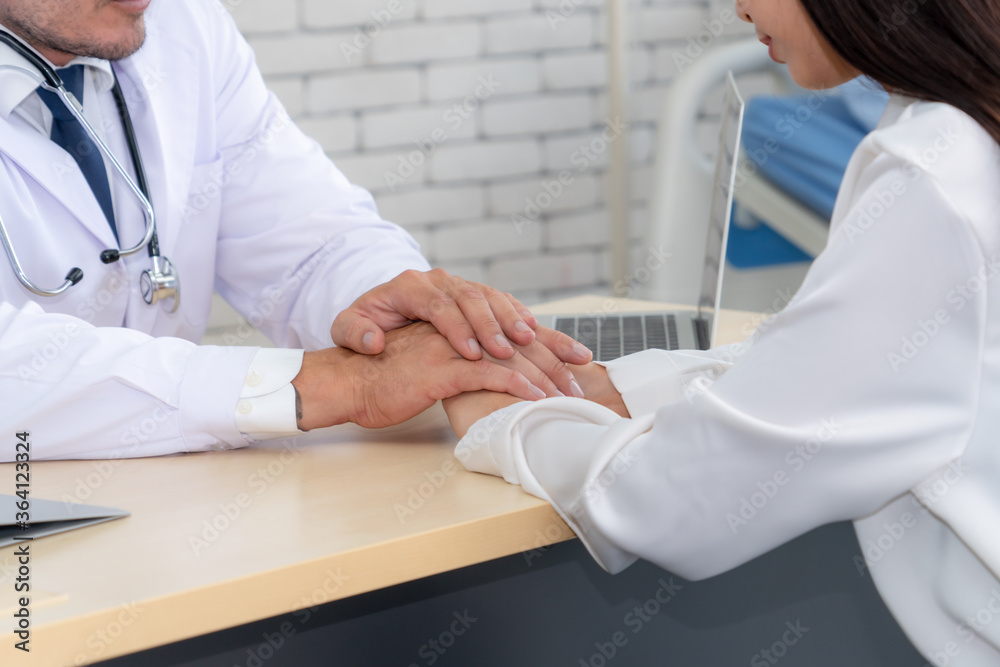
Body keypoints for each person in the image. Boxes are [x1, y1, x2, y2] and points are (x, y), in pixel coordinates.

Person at [444, 0, 1000, 663]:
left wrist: (500, 419)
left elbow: (675, 502)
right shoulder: (957, 131)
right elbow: (825, 371)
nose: (739, 7)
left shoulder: (930, 180)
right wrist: (615, 387)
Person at [0, 0, 591, 461]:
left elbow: (310, 238)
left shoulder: (179, 27)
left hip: (160, 501)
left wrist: (422, 330)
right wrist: (331, 383)